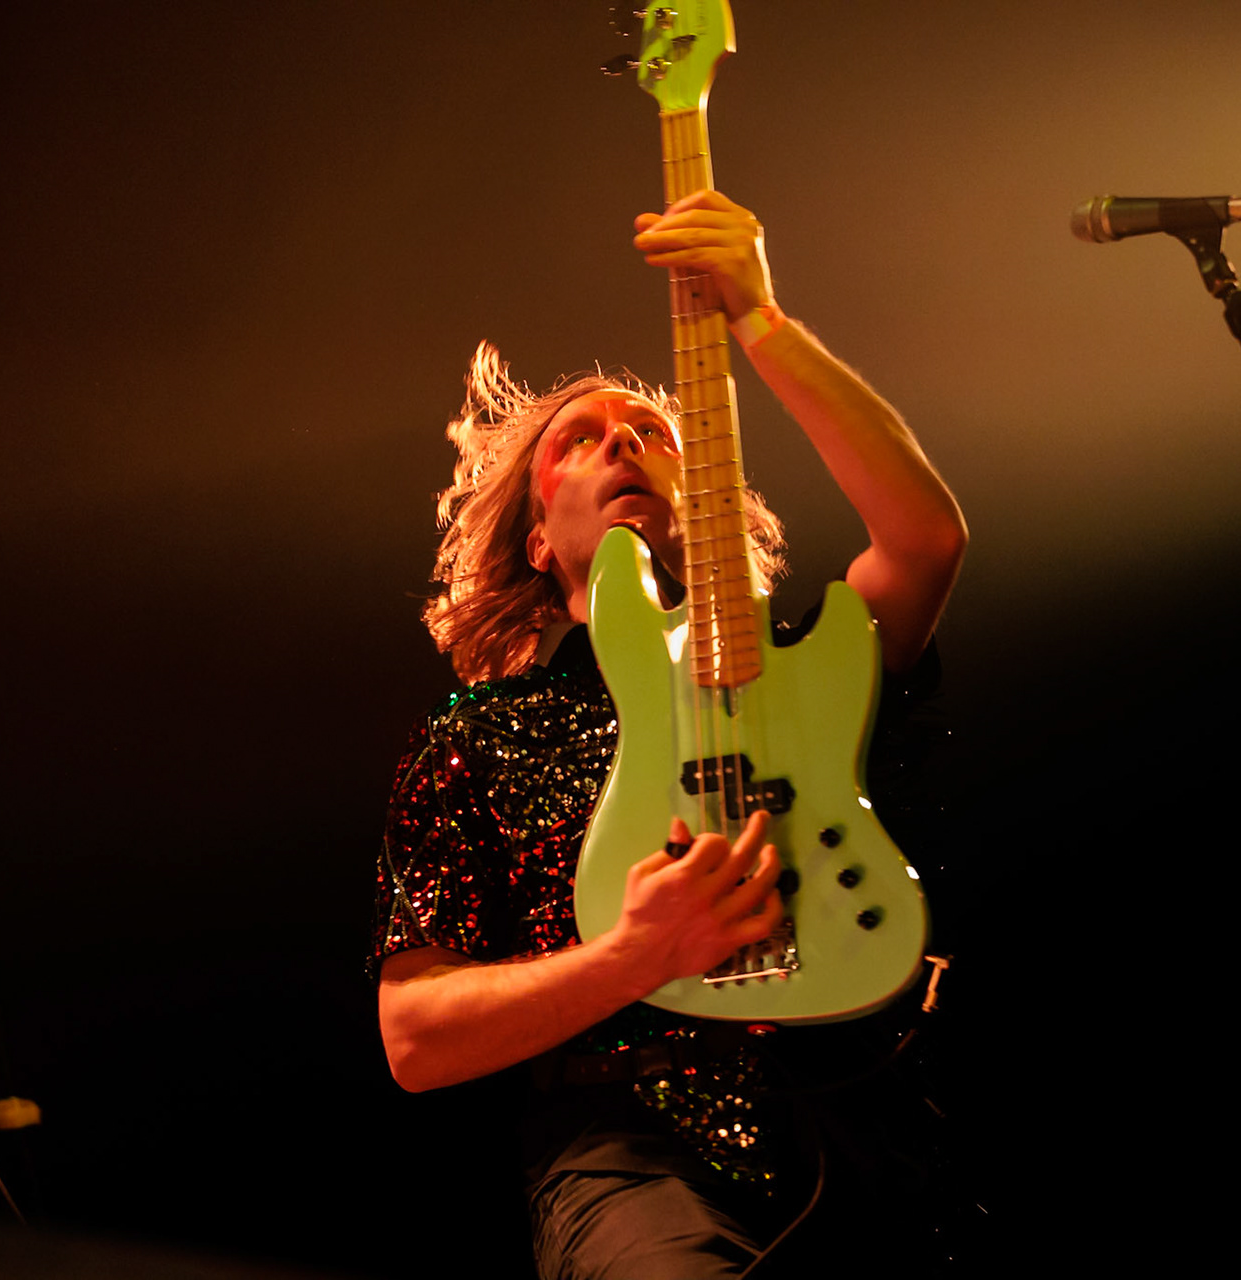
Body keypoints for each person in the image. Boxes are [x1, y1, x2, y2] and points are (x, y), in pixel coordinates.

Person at [374, 190, 968, 1278]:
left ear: (710, 500)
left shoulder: (818, 663)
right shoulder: (477, 736)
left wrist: (761, 318)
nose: (625, 445)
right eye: (582, 442)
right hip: (633, 1151)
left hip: (876, 1124)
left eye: (653, 433)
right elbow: (414, 1036)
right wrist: (635, 956)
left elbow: (925, 534)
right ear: (540, 539)